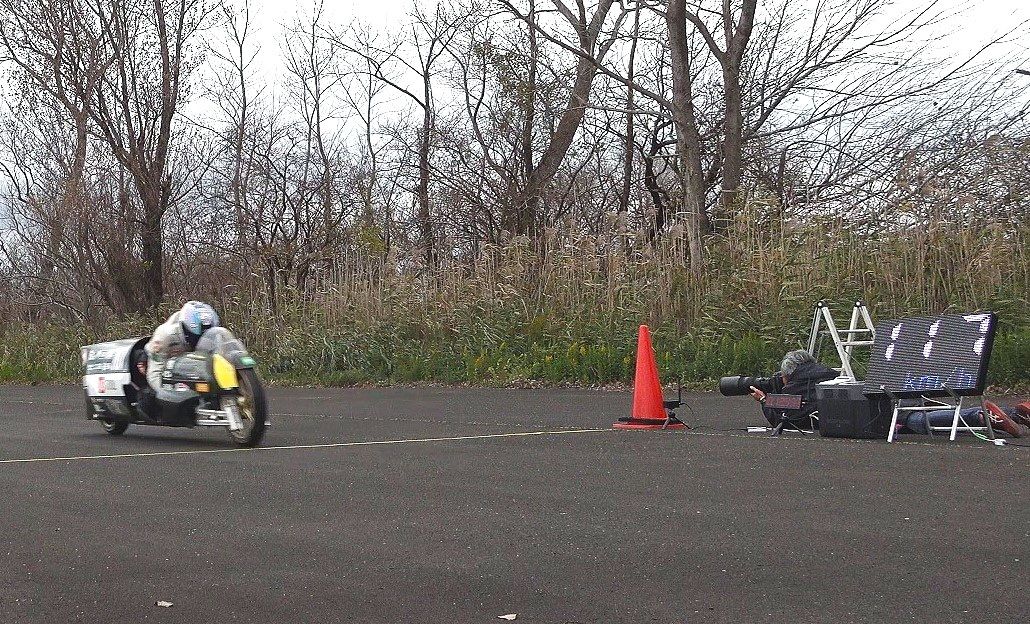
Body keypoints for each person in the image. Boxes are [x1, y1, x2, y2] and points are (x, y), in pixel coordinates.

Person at [747, 349, 840, 429]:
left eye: (782, 376)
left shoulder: (794, 388)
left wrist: (763, 400)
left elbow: (782, 421)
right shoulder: (832, 374)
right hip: (838, 423)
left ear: (788, 375)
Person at [143, 301, 221, 390]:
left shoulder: (213, 334)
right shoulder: (164, 337)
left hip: (195, 369)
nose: (201, 341)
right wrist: (167, 394)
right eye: (197, 337)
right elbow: (155, 373)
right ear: (185, 329)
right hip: (166, 369)